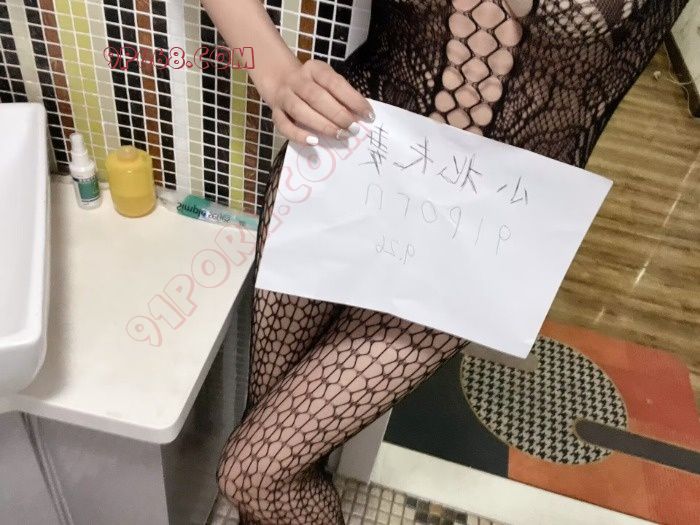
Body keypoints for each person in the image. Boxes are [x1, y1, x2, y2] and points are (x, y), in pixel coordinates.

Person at [202, 1, 687, 523]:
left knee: (256, 472)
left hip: (478, 236)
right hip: (344, 168)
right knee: (274, 439)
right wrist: (275, 73)